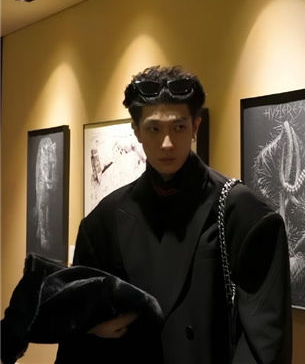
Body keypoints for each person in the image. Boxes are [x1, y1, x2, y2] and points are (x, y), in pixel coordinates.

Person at [56, 65, 292, 363]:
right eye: (154, 129)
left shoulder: (243, 213)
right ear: (136, 131)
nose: (167, 143)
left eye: (178, 128)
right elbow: (76, 332)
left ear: (195, 127)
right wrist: (91, 327)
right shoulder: (105, 219)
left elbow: (265, 341)